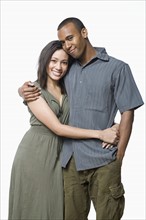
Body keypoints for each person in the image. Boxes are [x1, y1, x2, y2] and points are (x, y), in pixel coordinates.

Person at [18, 18, 144, 220]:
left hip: (104, 161)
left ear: (84, 32)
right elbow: (45, 85)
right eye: (63, 42)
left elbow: (128, 112)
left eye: (70, 38)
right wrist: (22, 90)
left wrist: (119, 157)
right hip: (71, 162)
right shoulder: (67, 68)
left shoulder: (118, 68)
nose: (67, 45)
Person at [9, 40, 120, 220]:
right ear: (44, 61)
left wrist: (115, 126)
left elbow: (89, 117)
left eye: (64, 62)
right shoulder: (33, 90)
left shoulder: (71, 90)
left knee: (57, 208)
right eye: (53, 61)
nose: (58, 67)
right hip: (35, 154)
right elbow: (58, 128)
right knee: (36, 206)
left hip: (63, 154)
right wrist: (100, 134)